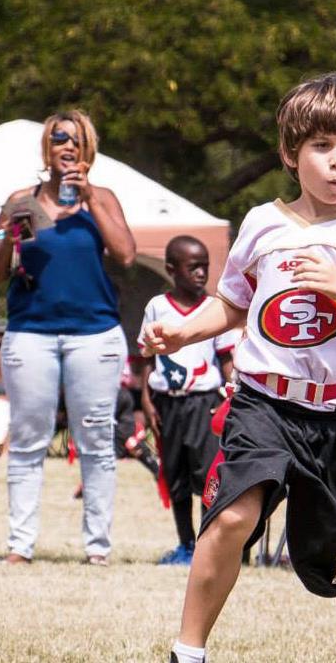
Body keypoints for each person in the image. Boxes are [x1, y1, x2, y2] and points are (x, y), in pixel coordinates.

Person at [142, 71, 336, 663]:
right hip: (262, 403)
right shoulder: (261, 222)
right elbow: (232, 302)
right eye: (322, 146)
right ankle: (186, 653)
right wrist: (181, 331)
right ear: (290, 154)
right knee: (231, 515)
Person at [0, 109, 137, 567]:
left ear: (88, 150)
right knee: (29, 439)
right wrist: (9, 237)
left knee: (95, 439)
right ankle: (19, 545)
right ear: (46, 150)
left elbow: (126, 254)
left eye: (76, 141)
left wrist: (88, 197)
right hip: (31, 334)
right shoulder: (21, 199)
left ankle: (97, 547)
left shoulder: (103, 197)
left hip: (95, 335)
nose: (66, 147)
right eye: (58, 140)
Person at [137, 236, 236, 567]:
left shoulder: (214, 309)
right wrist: (148, 402)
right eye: (193, 267)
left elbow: (225, 357)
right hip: (168, 404)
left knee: (208, 475)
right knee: (175, 474)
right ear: (171, 269)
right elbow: (147, 356)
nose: (201, 273)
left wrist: (232, 391)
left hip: (205, 403)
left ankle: (209, 547)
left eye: (205, 266)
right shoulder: (157, 306)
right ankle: (185, 545)